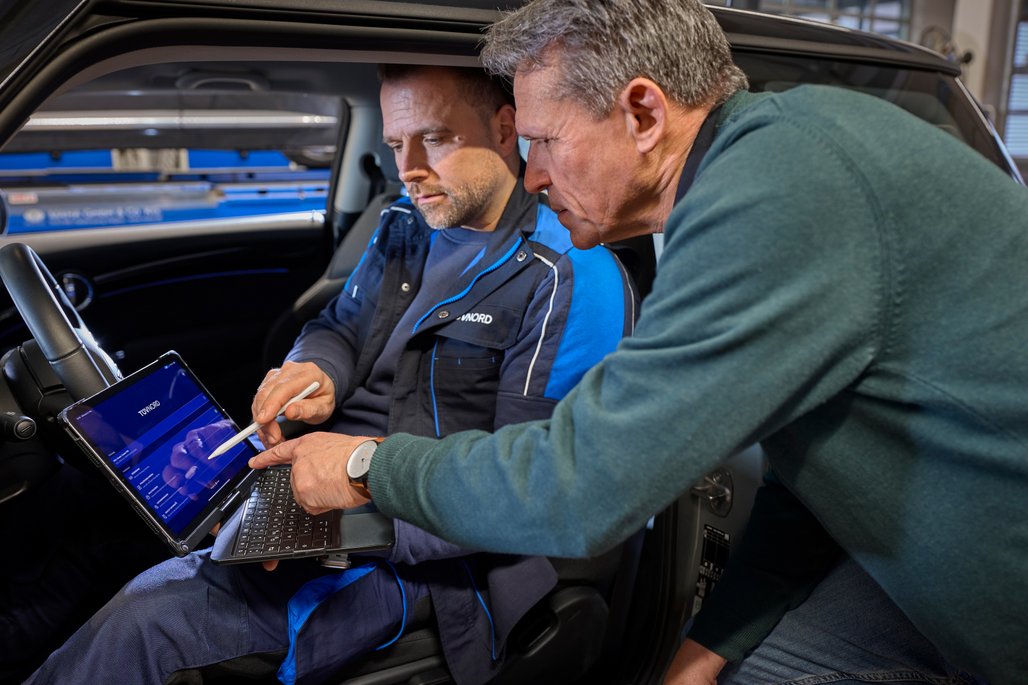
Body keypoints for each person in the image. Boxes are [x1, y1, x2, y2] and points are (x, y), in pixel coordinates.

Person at [244, 2, 1028, 684]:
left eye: (545, 141)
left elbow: (580, 484)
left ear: (644, 114)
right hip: (911, 570)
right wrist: (706, 650)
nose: (533, 175)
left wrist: (363, 465)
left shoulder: (777, 192)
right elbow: (817, 471)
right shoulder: (743, 174)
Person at [26, 64, 635, 685]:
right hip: (322, 475)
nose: (409, 169)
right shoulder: (407, 223)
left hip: (428, 551)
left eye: (436, 139)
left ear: (507, 127)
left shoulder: (569, 277)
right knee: (93, 515)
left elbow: (530, 490)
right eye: (396, 145)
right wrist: (314, 372)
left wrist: (355, 490)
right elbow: (339, 325)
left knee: (149, 614)